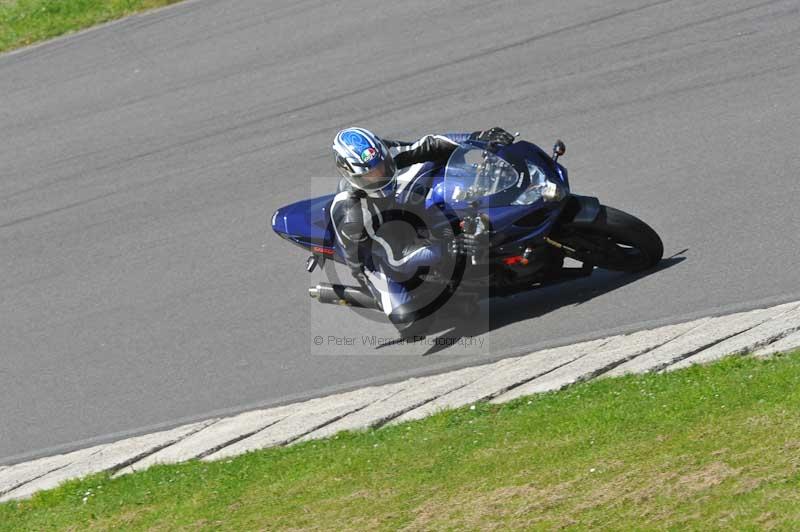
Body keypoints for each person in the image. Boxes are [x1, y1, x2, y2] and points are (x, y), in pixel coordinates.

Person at [329, 126, 514, 333]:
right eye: (371, 175)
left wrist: (477, 138)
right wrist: (449, 246)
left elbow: (430, 145)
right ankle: (449, 300)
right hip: (379, 255)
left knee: (443, 183)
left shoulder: (387, 155)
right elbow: (396, 258)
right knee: (412, 325)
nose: (380, 174)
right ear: (351, 175)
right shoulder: (352, 214)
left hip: (400, 215)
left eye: (382, 166)